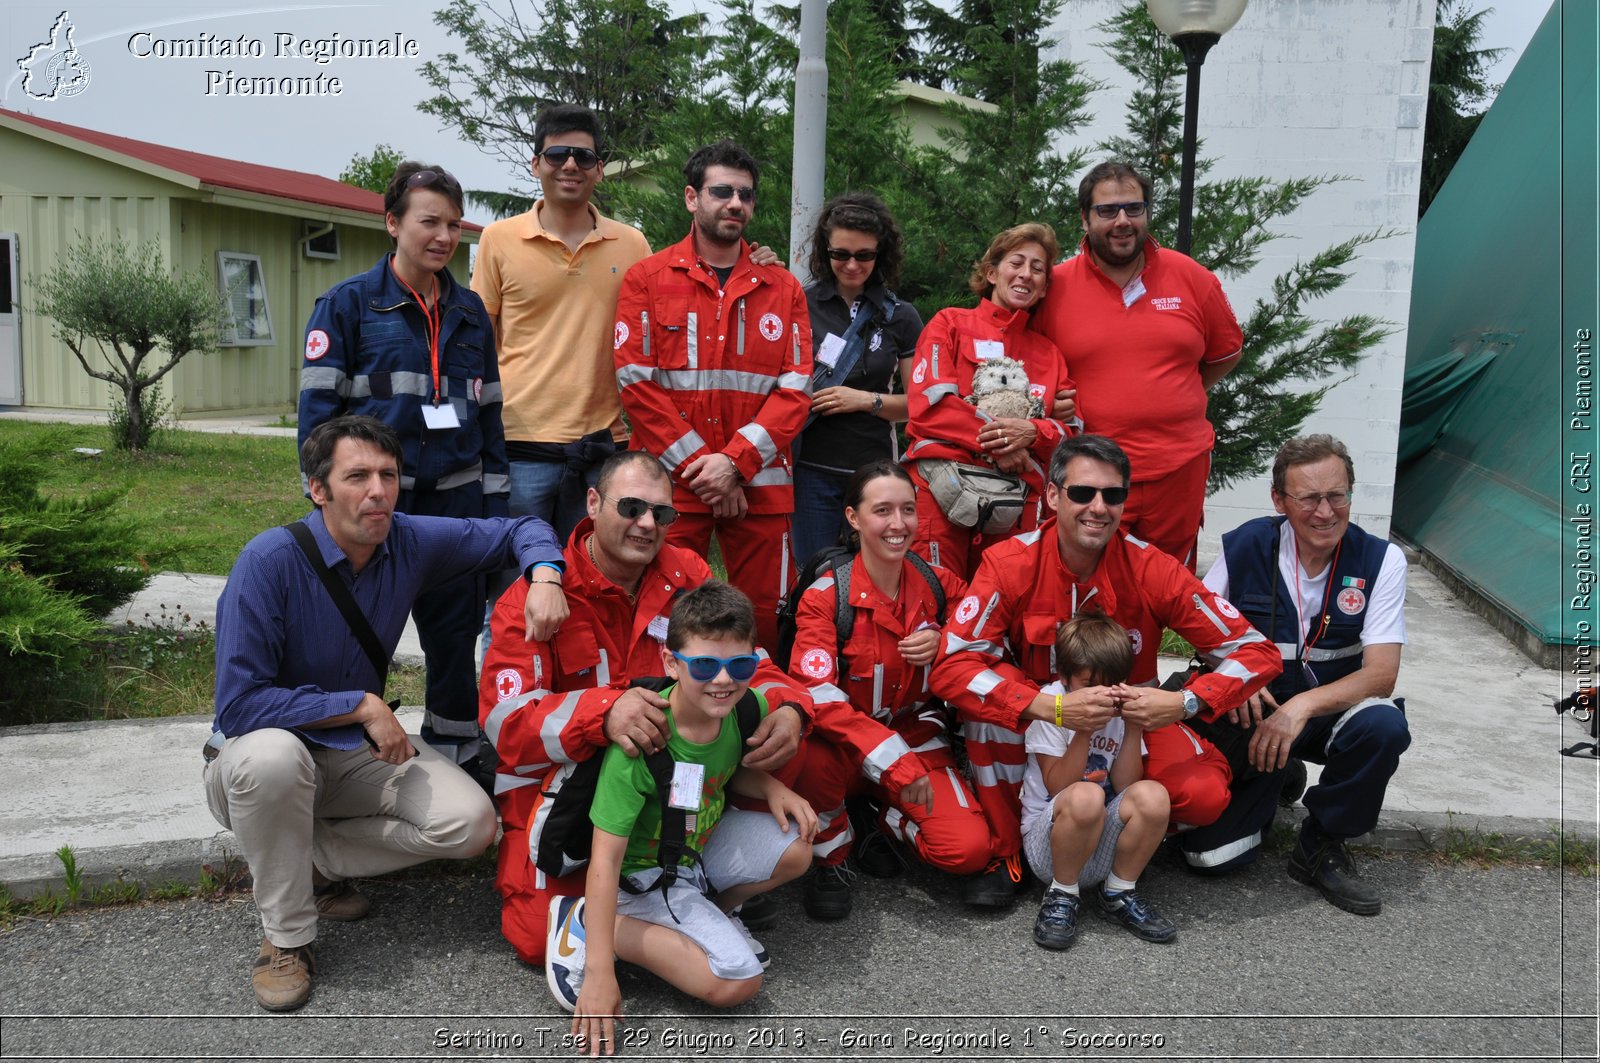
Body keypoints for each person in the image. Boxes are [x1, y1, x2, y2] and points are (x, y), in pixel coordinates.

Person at [205, 415, 565, 1012]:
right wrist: (359, 704)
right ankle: (287, 937)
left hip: (351, 759)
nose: (378, 491)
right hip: (254, 765)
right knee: (275, 756)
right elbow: (240, 704)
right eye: (357, 477)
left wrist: (545, 574)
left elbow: (520, 528)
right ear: (317, 489)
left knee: (471, 824)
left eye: (388, 475)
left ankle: (308, 860)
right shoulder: (267, 562)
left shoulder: (408, 540)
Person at [479, 450, 813, 965]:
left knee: (777, 746)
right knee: (534, 938)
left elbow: (749, 657)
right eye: (631, 507)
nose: (646, 524)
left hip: (669, 790)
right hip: (567, 794)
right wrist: (604, 713)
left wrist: (790, 707)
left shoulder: (688, 574)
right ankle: (663, 910)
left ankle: (683, 895)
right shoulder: (537, 594)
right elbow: (505, 725)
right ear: (593, 502)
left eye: (662, 513)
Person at [930, 434, 1281, 908]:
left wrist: (1183, 702)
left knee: (1202, 794)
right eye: (1082, 493)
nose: (1099, 507)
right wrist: (1048, 707)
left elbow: (1257, 652)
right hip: (1042, 716)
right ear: (1053, 496)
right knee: (989, 712)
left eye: (1112, 495)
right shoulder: (1009, 562)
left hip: (1129, 717)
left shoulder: (1153, 567)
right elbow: (952, 665)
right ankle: (1006, 851)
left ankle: (1118, 845)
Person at [547, 582, 818, 1053]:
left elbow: (725, 772)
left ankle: (710, 912)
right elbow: (605, 861)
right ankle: (588, 923)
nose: (723, 680)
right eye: (705, 665)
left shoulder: (742, 707)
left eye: (740, 665)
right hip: (641, 875)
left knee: (797, 847)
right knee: (737, 981)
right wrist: (599, 972)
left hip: (693, 850)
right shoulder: (641, 743)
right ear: (671, 663)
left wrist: (772, 786)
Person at [297, 162, 506, 772]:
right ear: (392, 223)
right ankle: (349, 759)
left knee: (452, 639)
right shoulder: (346, 307)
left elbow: (491, 421)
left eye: (453, 224)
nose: (443, 236)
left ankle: (456, 757)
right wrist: (331, 508)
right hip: (375, 512)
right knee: (356, 636)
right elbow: (316, 424)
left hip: (453, 513)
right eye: (428, 222)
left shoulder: (471, 314)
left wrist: (493, 519)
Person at [1183, 434, 1411, 914]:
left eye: (1337, 495)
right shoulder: (1247, 544)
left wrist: (1299, 708)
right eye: (1309, 498)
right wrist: (1232, 673)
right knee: (1207, 858)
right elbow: (1196, 625)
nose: (1325, 512)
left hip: (1327, 715)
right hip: (1253, 713)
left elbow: (1382, 675)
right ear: (1279, 500)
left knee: (1384, 726)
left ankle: (1321, 845)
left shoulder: (1382, 560)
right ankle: (1275, 777)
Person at [613, 140, 812, 652]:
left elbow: (795, 389)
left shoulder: (783, 288)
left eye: (745, 195)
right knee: (663, 609)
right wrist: (710, 470)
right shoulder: (647, 279)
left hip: (761, 487)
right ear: (690, 198)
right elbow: (636, 382)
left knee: (768, 614)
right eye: (721, 191)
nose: (735, 204)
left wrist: (737, 463)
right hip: (674, 489)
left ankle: (761, 715)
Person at [780, 460, 991, 920]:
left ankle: (877, 818)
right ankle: (832, 856)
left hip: (917, 735)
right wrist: (891, 759)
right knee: (808, 755)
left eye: (908, 510)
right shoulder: (824, 596)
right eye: (882, 511)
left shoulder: (937, 582)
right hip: (844, 746)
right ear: (854, 519)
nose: (898, 525)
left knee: (968, 851)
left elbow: (984, 622)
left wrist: (944, 639)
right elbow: (816, 694)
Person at [1032, 161, 1244, 571]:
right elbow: (1028, 369)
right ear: (1085, 216)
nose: (1123, 221)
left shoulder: (1192, 277)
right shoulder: (1054, 287)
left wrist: (1176, 393)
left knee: (1166, 587)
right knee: (1083, 581)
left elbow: (1225, 353)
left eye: (1134, 208)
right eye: (1108, 210)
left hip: (1178, 469)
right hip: (1088, 475)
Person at [469, 104, 652, 542]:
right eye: (557, 155)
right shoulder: (498, 239)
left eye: (584, 157)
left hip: (601, 447)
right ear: (536, 164)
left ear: (599, 170)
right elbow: (477, 342)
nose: (570, 165)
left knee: (594, 585)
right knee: (515, 583)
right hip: (518, 445)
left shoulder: (631, 244)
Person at [904, 223, 1077, 579]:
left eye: (1038, 268)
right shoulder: (949, 324)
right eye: (1016, 263)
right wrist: (1003, 443)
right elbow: (929, 407)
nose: (1026, 274)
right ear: (991, 273)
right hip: (940, 492)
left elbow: (1072, 434)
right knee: (934, 601)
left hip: (1015, 507)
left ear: (1045, 288)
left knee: (1002, 608)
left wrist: (1032, 432)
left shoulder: (1050, 354)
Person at [1022, 615, 1175, 951]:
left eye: (1108, 685)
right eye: (1088, 684)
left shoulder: (1119, 712)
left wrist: (1133, 727)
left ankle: (1119, 890)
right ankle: (1062, 894)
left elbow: (1126, 785)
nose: (1099, 695)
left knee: (1153, 795)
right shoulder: (1053, 705)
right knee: (1087, 795)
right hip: (1049, 848)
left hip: (1099, 845)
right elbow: (1057, 787)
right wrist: (1084, 727)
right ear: (1064, 677)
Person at [791, 193, 925, 565]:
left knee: (875, 575)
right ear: (825, 250)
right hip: (811, 470)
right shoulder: (799, 304)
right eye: (840, 254)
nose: (852, 265)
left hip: (874, 475)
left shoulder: (902, 316)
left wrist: (866, 400)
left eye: (864, 255)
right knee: (814, 578)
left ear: (880, 255)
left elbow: (920, 405)